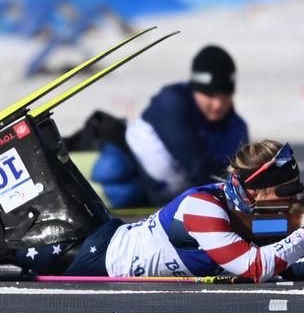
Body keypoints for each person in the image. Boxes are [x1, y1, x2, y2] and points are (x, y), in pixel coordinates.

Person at [0, 139, 304, 282]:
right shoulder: (204, 208)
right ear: (258, 191)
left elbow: (292, 269)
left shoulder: (251, 213)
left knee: (58, 174)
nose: (294, 198)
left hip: (105, 234)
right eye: (286, 189)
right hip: (84, 257)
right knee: (31, 204)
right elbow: (255, 268)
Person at [72, 45, 249, 208]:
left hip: (151, 192)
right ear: (195, 90)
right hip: (125, 157)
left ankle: (80, 201)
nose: (217, 104)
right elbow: (197, 166)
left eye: (224, 96)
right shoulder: (173, 100)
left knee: (127, 194)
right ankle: (63, 183)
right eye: (209, 95)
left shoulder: (237, 129)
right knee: (112, 168)